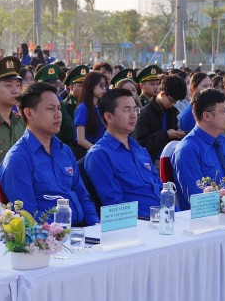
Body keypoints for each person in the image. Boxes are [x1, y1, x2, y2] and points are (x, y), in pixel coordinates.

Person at [0, 81, 97, 225]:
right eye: (51, 109)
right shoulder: (18, 159)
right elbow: (28, 216)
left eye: (58, 108)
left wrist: (95, 228)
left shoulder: (64, 151)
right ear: (29, 113)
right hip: (49, 240)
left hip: (81, 233)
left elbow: (83, 197)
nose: (58, 115)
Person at [84, 88, 162, 216]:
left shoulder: (140, 150)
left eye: (135, 109)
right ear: (109, 117)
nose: (133, 115)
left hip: (161, 218)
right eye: (126, 110)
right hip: (138, 224)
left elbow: (159, 188)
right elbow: (115, 205)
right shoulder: (99, 155)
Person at [170, 88, 225, 210]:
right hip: (206, 219)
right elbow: (197, 198)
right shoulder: (187, 150)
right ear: (207, 115)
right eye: (224, 111)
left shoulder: (224, 141)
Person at [133, 74, 187, 162]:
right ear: (162, 94)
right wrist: (166, 135)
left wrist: (179, 135)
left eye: (176, 102)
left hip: (168, 159)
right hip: (150, 161)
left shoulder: (171, 111)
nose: (173, 104)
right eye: (172, 101)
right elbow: (141, 144)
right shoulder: (146, 114)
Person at [72, 71, 108, 155]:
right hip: (86, 153)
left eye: (105, 86)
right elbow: (80, 140)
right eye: (101, 85)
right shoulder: (83, 108)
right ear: (91, 85)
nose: (104, 89)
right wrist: (98, 150)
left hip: (99, 150)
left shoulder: (100, 107)